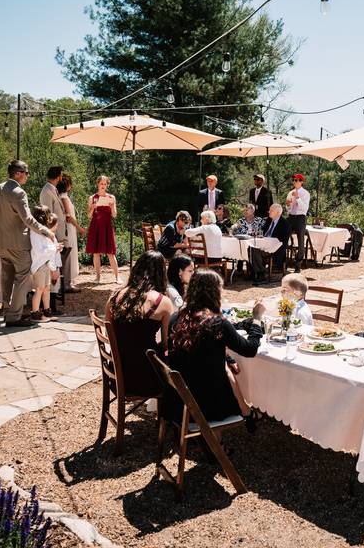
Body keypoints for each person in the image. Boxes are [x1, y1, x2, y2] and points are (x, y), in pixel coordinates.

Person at [166, 269, 263, 423]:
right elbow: (250, 349)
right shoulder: (217, 323)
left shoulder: (177, 317)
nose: (222, 292)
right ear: (214, 292)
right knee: (224, 370)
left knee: (225, 366)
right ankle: (216, 444)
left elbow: (198, 348)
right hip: (208, 405)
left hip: (177, 401)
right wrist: (257, 318)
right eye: (221, 288)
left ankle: (221, 437)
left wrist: (226, 357)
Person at [0, 160, 56, 328]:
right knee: (21, 278)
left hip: (1, 242)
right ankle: (14, 316)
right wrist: (46, 231)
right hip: (18, 243)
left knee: (6, 277)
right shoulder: (18, 192)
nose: (28, 175)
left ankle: (7, 311)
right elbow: (27, 219)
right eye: (26, 172)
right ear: (17, 173)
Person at [106, 251, 176, 400]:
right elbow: (166, 345)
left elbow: (109, 336)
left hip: (116, 375)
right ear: (162, 273)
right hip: (146, 379)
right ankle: (171, 419)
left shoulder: (115, 296)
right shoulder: (163, 302)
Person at [29, 205, 63, 322]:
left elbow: (48, 248)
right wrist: (54, 247)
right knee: (39, 288)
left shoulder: (44, 232)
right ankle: (35, 313)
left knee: (47, 288)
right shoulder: (35, 233)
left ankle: (47, 311)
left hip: (46, 264)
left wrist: (55, 247)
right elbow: (40, 251)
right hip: (39, 265)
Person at [86, 175, 119, 283]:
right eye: (101, 184)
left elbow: (114, 215)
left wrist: (111, 206)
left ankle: (117, 277)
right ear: (98, 184)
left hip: (106, 227)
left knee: (111, 253)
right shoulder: (92, 198)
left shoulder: (111, 197)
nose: (103, 186)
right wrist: (93, 207)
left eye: (105, 184)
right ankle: (98, 277)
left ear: (107, 185)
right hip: (95, 226)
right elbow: (89, 216)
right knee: (96, 253)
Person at [56, 174, 86, 292]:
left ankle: (68, 281)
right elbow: (69, 217)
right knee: (70, 253)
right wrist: (80, 228)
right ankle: (67, 283)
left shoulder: (62, 196)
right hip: (69, 228)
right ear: (67, 185)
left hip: (69, 228)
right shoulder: (63, 197)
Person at [40, 167, 68, 289]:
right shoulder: (46, 191)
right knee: (53, 265)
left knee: (58, 263)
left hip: (59, 232)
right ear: (58, 177)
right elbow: (48, 216)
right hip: (54, 234)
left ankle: (57, 289)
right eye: (61, 175)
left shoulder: (53, 189)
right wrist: (52, 236)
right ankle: (51, 294)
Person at [250, 203, 290, 284]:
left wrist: (268, 242)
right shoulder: (268, 220)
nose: (269, 212)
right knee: (250, 247)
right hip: (264, 245)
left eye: (271, 210)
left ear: (278, 212)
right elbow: (262, 232)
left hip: (275, 248)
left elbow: (282, 241)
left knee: (255, 250)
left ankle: (261, 274)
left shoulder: (285, 224)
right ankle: (255, 272)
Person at [285, 174, 310, 273]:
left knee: (300, 242)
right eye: (294, 180)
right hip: (291, 217)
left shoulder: (305, 193)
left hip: (300, 218)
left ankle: (298, 265)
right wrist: (287, 205)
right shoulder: (290, 192)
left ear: (302, 182)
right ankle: (283, 262)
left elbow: (305, 209)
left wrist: (298, 198)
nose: (295, 182)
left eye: (297, 180)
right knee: (284, 237)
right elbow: (289, 209)